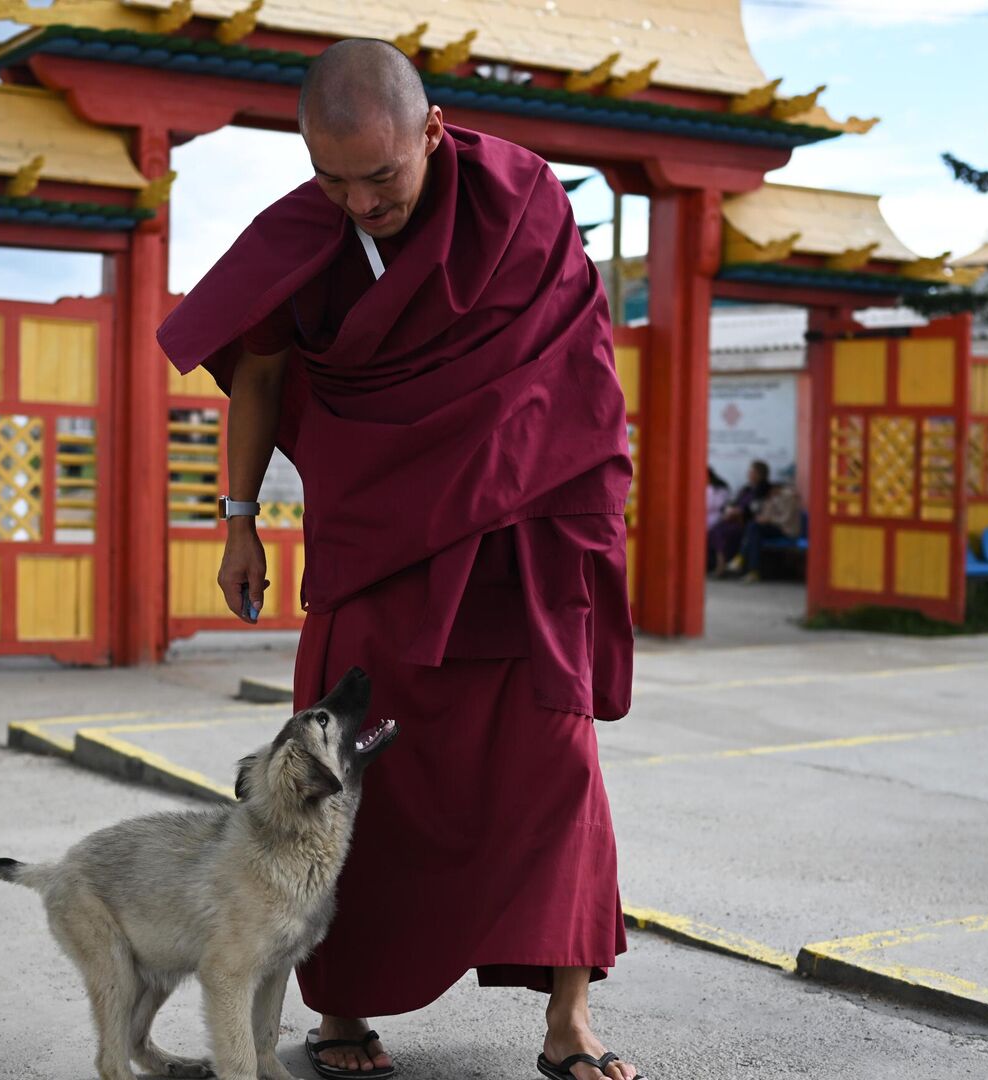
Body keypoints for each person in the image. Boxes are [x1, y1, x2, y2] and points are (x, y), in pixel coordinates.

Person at [156, 39, 641, 1080]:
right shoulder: (302, 234)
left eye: (382, 176)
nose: (361, 201)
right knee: (344, 783)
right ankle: (341, 1008)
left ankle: (570, 1021)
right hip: (375, 547)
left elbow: (580, 369)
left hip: (520, 545)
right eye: (334, 179)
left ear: (432, 131)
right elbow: (258, 374)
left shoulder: (522, 205)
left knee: (555, 774)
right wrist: (238, 520)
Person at [710, 460, 773, 575]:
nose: (749, 474)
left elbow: (757, 509)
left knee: (724, 533)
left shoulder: (765, 490)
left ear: (759, 474)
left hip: (746, 522)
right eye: (749, 471)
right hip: (733, 520)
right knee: (715, 530)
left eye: (752, 471)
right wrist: (729, 510)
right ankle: (721, 563)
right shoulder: (746, 489)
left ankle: (725, 564)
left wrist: (740, 512)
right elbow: (734, 503)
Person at [704, 466, 731, 573]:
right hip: (705, 517)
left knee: (715, 531)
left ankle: (719, 563)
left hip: (716, 517)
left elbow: (714, 505)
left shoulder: (720, 488)